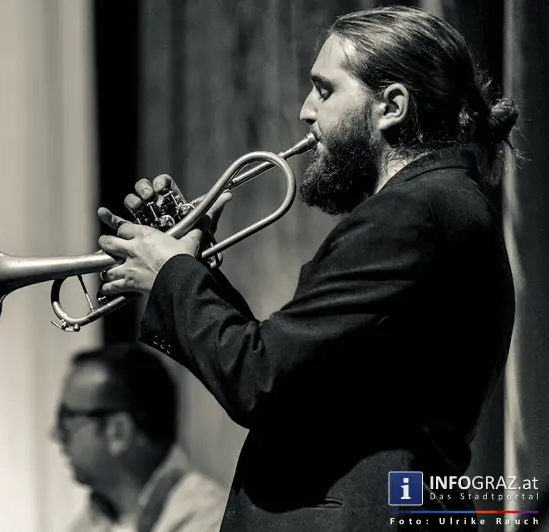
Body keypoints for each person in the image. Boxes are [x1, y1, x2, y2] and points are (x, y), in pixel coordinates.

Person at [94, 6, 519, 532]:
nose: (304, 111)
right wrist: (189, 269)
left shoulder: (411, 213)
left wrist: (173, 273)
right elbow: (297, 384)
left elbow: (258, 380)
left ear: (391, 106)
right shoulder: (445, 205)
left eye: (324, 90)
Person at [52, 342, 228, 532]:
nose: (55, 434)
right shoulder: (90, 523)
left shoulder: (208, 520)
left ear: (118, 431)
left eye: (66, 419)